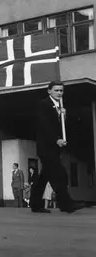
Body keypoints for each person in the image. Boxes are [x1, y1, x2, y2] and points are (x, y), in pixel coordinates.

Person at [29, 81, 76, 214]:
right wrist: (56, 139)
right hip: (46, 147)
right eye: (56, 90)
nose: (59, 93)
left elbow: (61, 126)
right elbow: (44, 125)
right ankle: (66, 204)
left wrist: (63, 116)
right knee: (60, 174)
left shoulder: (60, 106)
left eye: (61, 90)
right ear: (49, 91)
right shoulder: (44, 104)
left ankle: (35, 204)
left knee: (44, 177)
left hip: (54, 148)